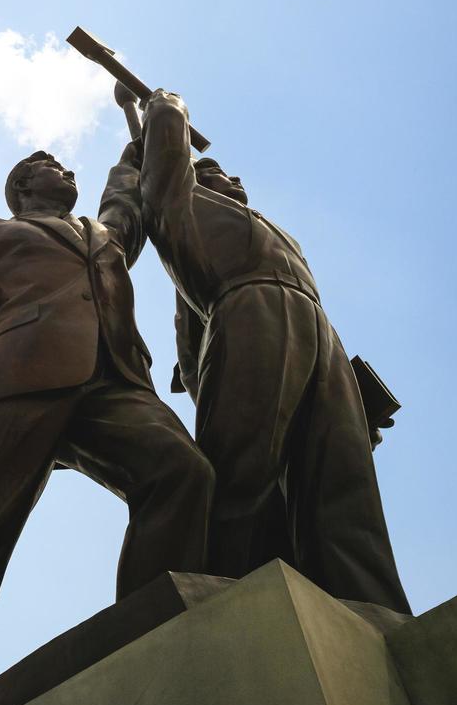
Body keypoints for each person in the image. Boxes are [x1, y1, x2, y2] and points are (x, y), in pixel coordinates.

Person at [0, 143, 213, 705]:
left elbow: (124, 207)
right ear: (23, 186)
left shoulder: (104, 237)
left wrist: (139, 151)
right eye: (54, 166)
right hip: (23, 379)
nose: (69, 172)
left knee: (183, 471)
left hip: (115, 382)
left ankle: (147, 632)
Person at [139, 89, 410, 614]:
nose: (233, 179)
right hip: (250, 306)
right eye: (213, 169)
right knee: (243, 469)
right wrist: (163, 110)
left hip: (317, 327)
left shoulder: (269, 227)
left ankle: (372, 604)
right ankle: (224, 585)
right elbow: (162, 181)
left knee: (344, 481)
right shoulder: (184, 205)